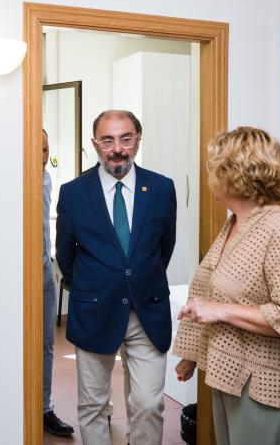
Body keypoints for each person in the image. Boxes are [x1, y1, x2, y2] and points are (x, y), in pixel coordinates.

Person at [173, 126, 280, 445]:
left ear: (234, 173)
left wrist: (218, 311)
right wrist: (191, 354)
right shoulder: (234, 224)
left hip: (271, 389)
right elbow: (209, 290)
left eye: (214, 167)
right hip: (229, 377)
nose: (208, 174)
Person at [56, 110, 177, 445]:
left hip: (147, 311)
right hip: (95, 310)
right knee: (93, 406)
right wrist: (94, 285)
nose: (117, 148)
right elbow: (66, 255)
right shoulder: (74, 192)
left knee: (148, 404)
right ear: (96, 144)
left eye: (126, 138)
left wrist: (136, 279)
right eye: (107, 140)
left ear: (138, 140)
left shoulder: (162, 189)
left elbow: (163, 248)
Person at [41, 129, 74, 437]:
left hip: (44, 271)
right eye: (37, 149)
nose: (42, 158)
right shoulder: (13, 179)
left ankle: (44, 408)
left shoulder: (47, 180)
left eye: (46, 150)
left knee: (46, 344)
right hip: (18, 275)